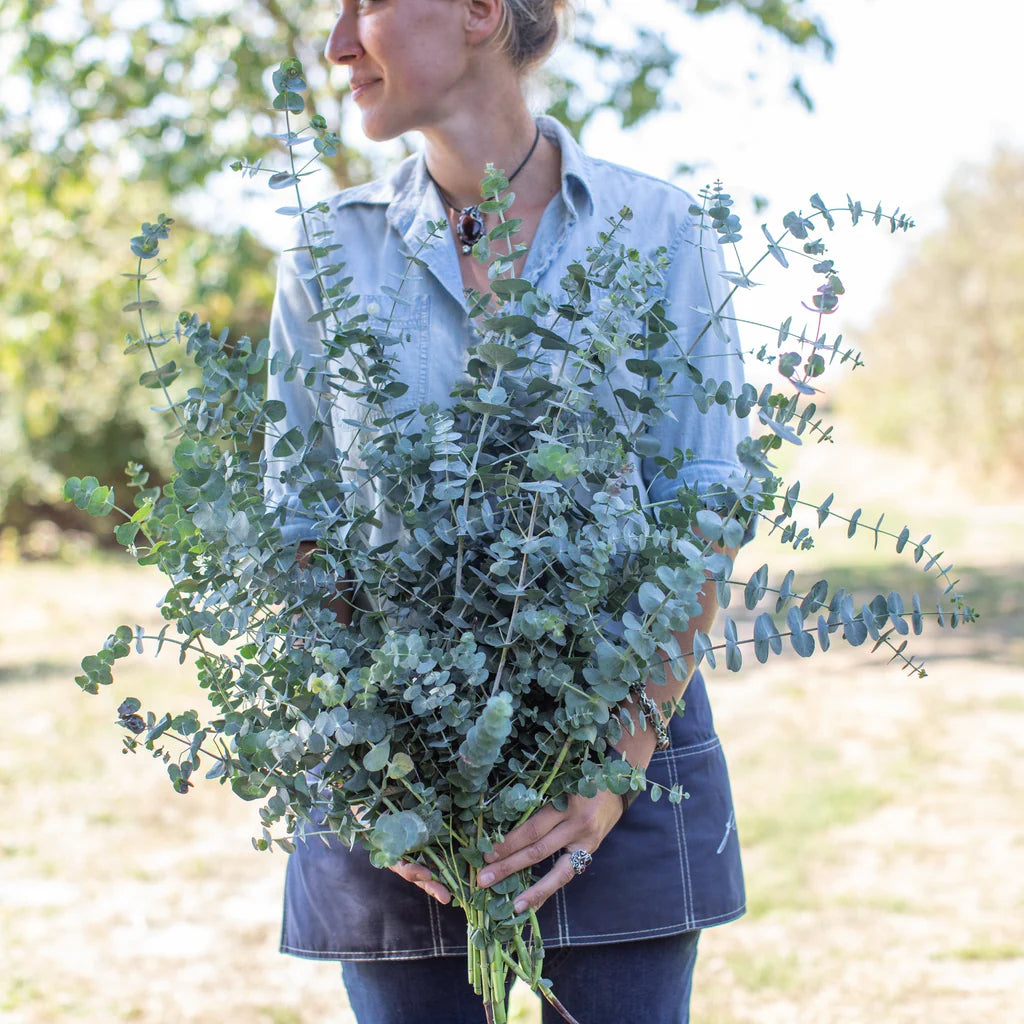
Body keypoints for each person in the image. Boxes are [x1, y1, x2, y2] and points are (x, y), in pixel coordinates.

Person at [265, 2, 750, 1021]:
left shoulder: (658, 229)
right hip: (400, 782)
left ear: (482, 10)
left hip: (620, 750)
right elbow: (298, 526)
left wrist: (612, 764)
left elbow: (701, 509)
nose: (338, 42)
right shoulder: (324, 254)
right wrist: (372, 755)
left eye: (367, 5)